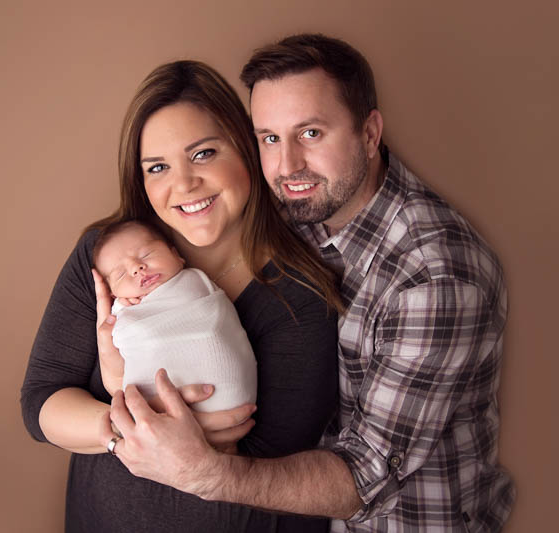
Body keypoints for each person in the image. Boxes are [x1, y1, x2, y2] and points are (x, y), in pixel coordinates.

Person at [107, 34, 515, 532]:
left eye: (311, 133)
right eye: (269, 138)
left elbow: (365, 477)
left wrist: (203, 471)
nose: (288, 166)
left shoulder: (436, 277)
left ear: (370, 133)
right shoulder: (295, 208)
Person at [21, 60, 342, 532]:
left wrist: (160, 428)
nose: (184, 184)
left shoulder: (300, 294)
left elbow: (266, 459)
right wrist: (128, 429)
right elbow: (41, 403)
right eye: (158, 167)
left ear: (246, 148)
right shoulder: (108, 257)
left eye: (204, 153)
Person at [93, 220, 257, 413]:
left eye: (146, 254)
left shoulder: (195, 280)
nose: (136, 268)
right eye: (121, 274)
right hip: (156, 411)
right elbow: (118, 365)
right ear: (114, 294)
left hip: (230, 397)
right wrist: (118, 310)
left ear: (176, 255)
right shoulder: (121, 315)